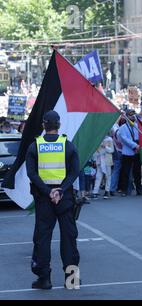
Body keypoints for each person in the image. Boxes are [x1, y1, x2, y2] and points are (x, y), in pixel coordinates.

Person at [25, 110, 80, 289]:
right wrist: (61, 190)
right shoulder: (68, 145)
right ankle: (72, 280)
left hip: (44, 198)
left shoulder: (35, 146)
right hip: (63, 198)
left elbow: (31, 174)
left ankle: (44, 279)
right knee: (69, 238)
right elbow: (74, 172)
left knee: (42, 238)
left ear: (44, 125)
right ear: (58, 125)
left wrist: (48, 192)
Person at [117, 109, 142, 196]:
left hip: (137, 152)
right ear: (126, 117)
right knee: (126, 172)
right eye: (130, 115)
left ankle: (139, 189)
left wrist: (139, 146)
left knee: (137, 172)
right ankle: (124, 190)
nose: (132, 117)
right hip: (128, 152)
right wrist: (134, 146)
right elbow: (124, 139)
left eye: (133, 115)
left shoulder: (137, 126)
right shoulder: (122, 128)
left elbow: (141, 136)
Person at [91, 135, 114, 199]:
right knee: (98, 176)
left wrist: (105, 147)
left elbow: (112, 150)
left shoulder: (109, 139)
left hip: (107, 160)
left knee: (108, 176)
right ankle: (95, 192)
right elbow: (95, 151)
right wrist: (94, 159)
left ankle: (107, 191)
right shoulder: (98, 138)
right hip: (99, 160)